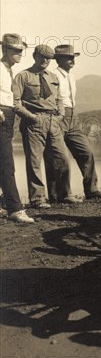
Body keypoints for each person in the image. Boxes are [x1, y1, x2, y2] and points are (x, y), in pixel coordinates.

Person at [13, 45, 79, 208]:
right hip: (33, 122)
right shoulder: (23, 76)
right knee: (34, 162)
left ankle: (64, 194)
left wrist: (60, 116)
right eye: (42, 57)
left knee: (62, 157)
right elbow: (15, 103)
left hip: (53, 121)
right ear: (35, 56)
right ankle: (38, 199)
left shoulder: (53, 76)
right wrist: (32, 117)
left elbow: (59, 100)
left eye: (48, 58)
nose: (45, 61)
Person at [45, 45, 101, 202]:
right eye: (68, 57)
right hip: (58, 115)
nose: (72, 60)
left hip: (73, 117)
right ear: (59, 60)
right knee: (59, 158)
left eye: (73, 57)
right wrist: (57, 115)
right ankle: (61, 195)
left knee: (86, 152)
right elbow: (49, 99)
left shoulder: (72, 76)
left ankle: (92, 190)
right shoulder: (52, 75)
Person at [0, 33, 34, 223]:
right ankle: (15, 208)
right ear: (5, 50)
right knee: (6, 162)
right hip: (2, 114)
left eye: (22, 50)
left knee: (2, 160)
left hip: (8, 114)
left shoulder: (8, 70)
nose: (20, 54)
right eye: (16, 50)